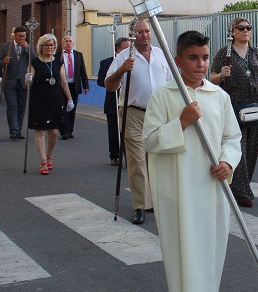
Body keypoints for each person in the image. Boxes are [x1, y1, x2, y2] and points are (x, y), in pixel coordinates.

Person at [144, 30, 241, 292]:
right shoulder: (163, 96)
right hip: (179, 191)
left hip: (211, 189)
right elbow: (149, 140)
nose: (200, 64)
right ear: (177, 61)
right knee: (183, 249)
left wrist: (227, 161)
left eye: (204, 57)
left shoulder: (219, 96)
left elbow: (232, 137)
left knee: (209, 251)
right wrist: (182, 122)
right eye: (193, 58)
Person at [105, 19, 174, 224]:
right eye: (140, 32)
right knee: (137, 160)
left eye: (147, 31)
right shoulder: (124, 56)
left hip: (158, 114)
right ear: (132, 35)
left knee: (156, 158)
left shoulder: (161, 54)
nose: (144, 35)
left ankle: (154, 200)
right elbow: (110, 86)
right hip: (133, 113)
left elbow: (172, 83)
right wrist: (121, 70)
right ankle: (140, 205)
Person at [209, 17, 258, 207]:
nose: (246, 31)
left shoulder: (256, 53)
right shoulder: (224, 53)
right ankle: (242, 193)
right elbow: (211, 78)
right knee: (238, 149)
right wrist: (221, 75)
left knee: (252, 150)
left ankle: (242, 186)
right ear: (233, 32)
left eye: (249, 27)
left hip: (254, 107)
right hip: (233, 106)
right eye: (241, 28)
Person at [25, 34, 74, 175]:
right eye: (46, 45)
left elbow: (63, 83)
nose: (49, 47)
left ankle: (48, 155)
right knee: (40, 131)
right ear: (41, 46)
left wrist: (70, 100)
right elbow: (27, 83)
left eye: (52, 45)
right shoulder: (34, 62)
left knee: (53, 132)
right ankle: (42, 162)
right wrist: (28, 78)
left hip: (55, 100)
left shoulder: (58, 63)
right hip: (39, 100)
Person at [98, 36, 130, 166]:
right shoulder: (107, 62)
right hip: (113, 101)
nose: (129, 50)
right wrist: (114, 80)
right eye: (126, 48)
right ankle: (115, 155)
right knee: (114, 130)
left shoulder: (134, 61)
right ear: (118, 49)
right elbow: (101, 80)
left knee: (128, 131)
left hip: (128, 101)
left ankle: (128, 157)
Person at [0, 26, 34, 140]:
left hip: (23, 82)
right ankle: (14, 130)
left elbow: (35, 59)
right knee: (12, 106)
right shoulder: (6, 47)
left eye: (24, 36)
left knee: (21, 107)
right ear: (15, 35)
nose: (21, 38)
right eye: (19, 36)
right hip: (10, 81)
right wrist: (3, 62)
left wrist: (27, 47)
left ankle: (19, 130)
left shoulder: (28, 47)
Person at [58, 35, 89, 140]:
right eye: (66, 41)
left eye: (70, 41)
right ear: (62, 43)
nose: (68, 43)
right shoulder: (58, 55)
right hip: (61, 86)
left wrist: (86, 85)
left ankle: (70, 130)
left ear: (73, 43)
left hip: (74, 86)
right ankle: (64, 131)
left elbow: (83, 71)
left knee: (72, 109)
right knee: (63, 109)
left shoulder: (78, 55)